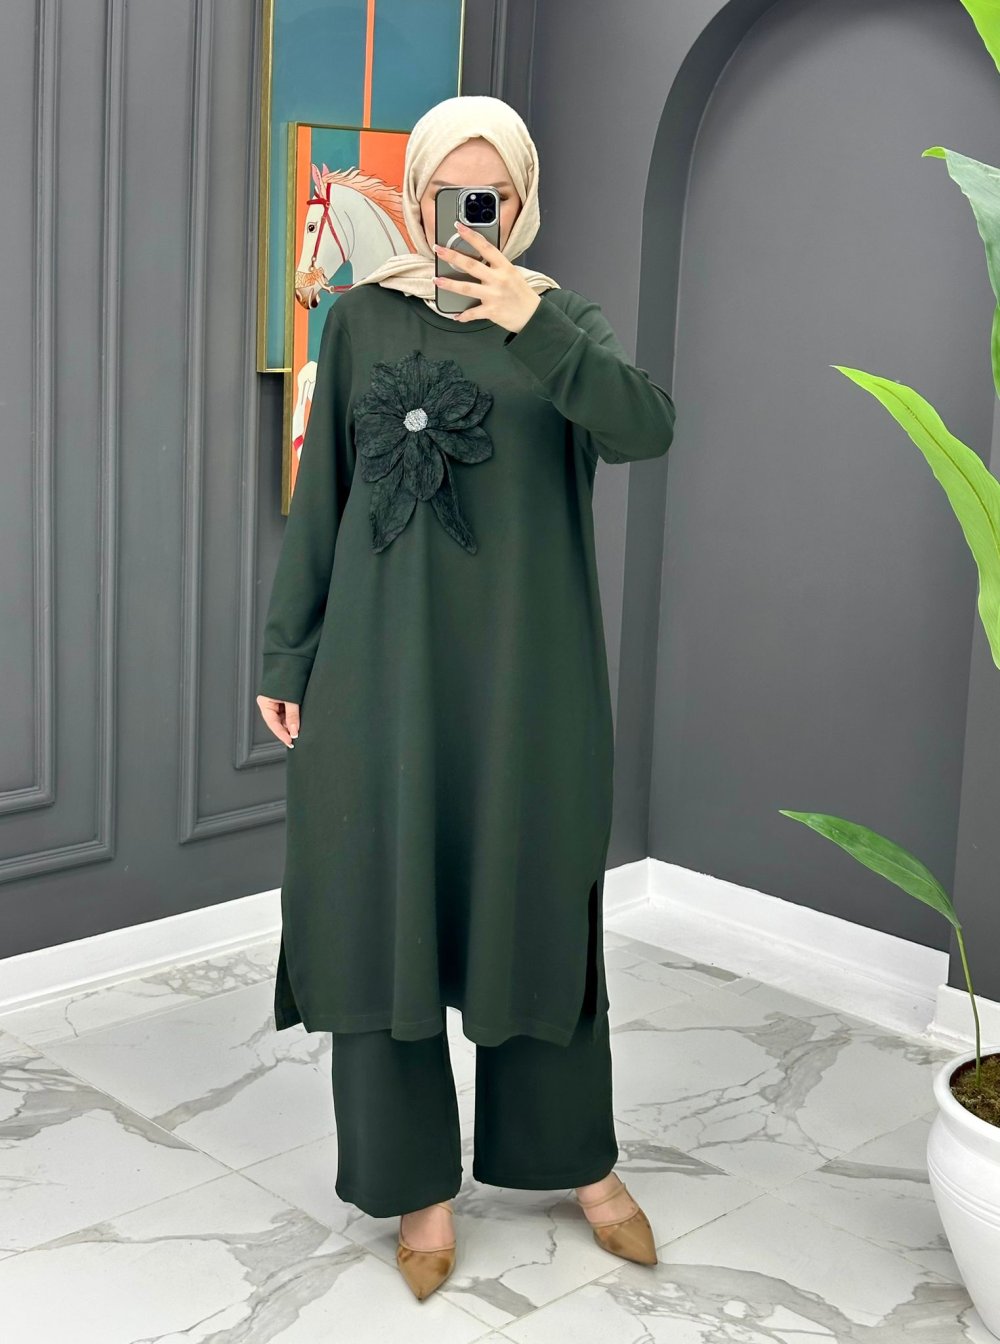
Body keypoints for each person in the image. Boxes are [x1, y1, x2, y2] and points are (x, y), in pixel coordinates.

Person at [256, 94, 676, 1301]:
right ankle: (418, 1190)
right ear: (420, 194)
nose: (470, 212)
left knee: (534, 908)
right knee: (379, 912)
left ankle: (575, 1160)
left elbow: (646, 429)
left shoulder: (563, 320)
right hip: (379, 678)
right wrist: (287, 654)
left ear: (524, 199)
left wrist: (533, 325)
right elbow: (325, 498)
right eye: (451, 192)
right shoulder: (361, 320)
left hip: (527, 687)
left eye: (492, 193)